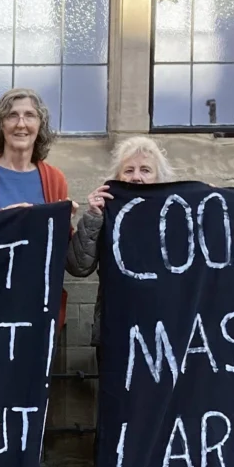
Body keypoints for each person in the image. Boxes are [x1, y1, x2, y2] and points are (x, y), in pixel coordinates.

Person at [0, 86, 103, 264]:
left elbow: (59, 250)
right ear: (1, 125)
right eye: (12, 115)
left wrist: (64, 223)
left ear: (39, 125)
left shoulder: (54, 178)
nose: (21, 124)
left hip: (37, 288)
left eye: (30, 115)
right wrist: (2, 219)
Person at [70, 136, 176, 350]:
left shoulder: (176, 214)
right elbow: (78, 267)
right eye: (129, 170)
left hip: (168, 328)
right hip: (116, 330)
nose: (136, 177)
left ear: (159, 177)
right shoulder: (104, 214)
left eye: (145, 170)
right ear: (117, 177)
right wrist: (93, 217)